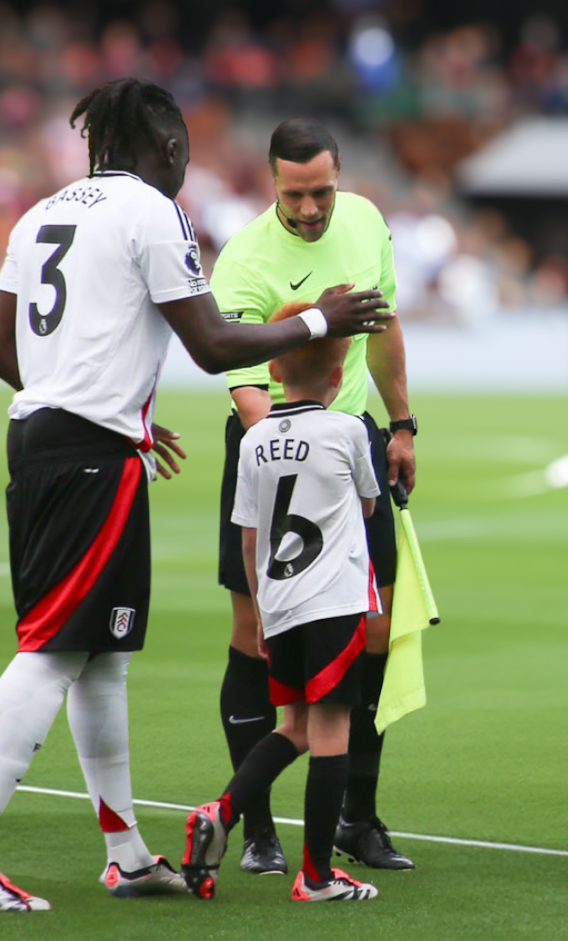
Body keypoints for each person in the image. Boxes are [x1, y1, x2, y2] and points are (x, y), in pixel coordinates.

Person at [0, 79, 394, 913]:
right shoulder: (150, 210)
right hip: (88, 461)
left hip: (51, 443)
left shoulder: (39, 215)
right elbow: (213, 346)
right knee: (54, 651)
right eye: (184, 153)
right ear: (170, 149)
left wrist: (103, 406)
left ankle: (127, 854)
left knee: (104, 659)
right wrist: (320, 322)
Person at [213, 118, 417, 874]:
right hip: (275, 447)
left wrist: (399, 425)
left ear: (341, 177)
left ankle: (356, 819)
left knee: (372, 629)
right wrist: (310, 449)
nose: (309, 208)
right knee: (257, 633)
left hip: (354, 436)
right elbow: (247, 393)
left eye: (322, 190)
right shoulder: (242, 261)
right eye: (294, 193)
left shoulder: (365, 221)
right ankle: (258, 829)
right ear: (272, 182)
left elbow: (384, 325)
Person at [182, 310, 381, 903]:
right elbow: (369, 507)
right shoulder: (348, 431)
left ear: (272, 369)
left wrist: (264, 612)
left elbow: (247, 536)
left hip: (281, 604)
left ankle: (223, 809)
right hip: (333, 600)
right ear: (339, 372)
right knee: (331, 729)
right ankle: (317, 875)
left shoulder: (254, 439)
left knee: (292, 726)